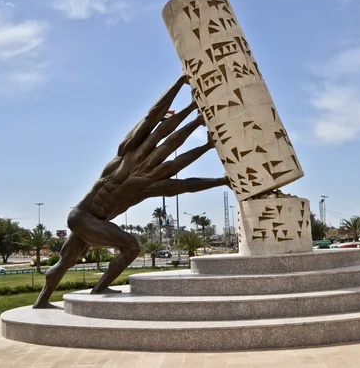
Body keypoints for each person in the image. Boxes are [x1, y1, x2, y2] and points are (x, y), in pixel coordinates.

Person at [33, 74, 229, 308]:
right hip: (85, 217)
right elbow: (154, 119)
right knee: (132, 247)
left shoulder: (146, 183)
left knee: (67, 260)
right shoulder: (125, 160)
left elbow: (183, 181)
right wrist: (183, 94)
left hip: (83, 217)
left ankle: (42, 301)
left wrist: (210, 157)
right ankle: (100, 287)